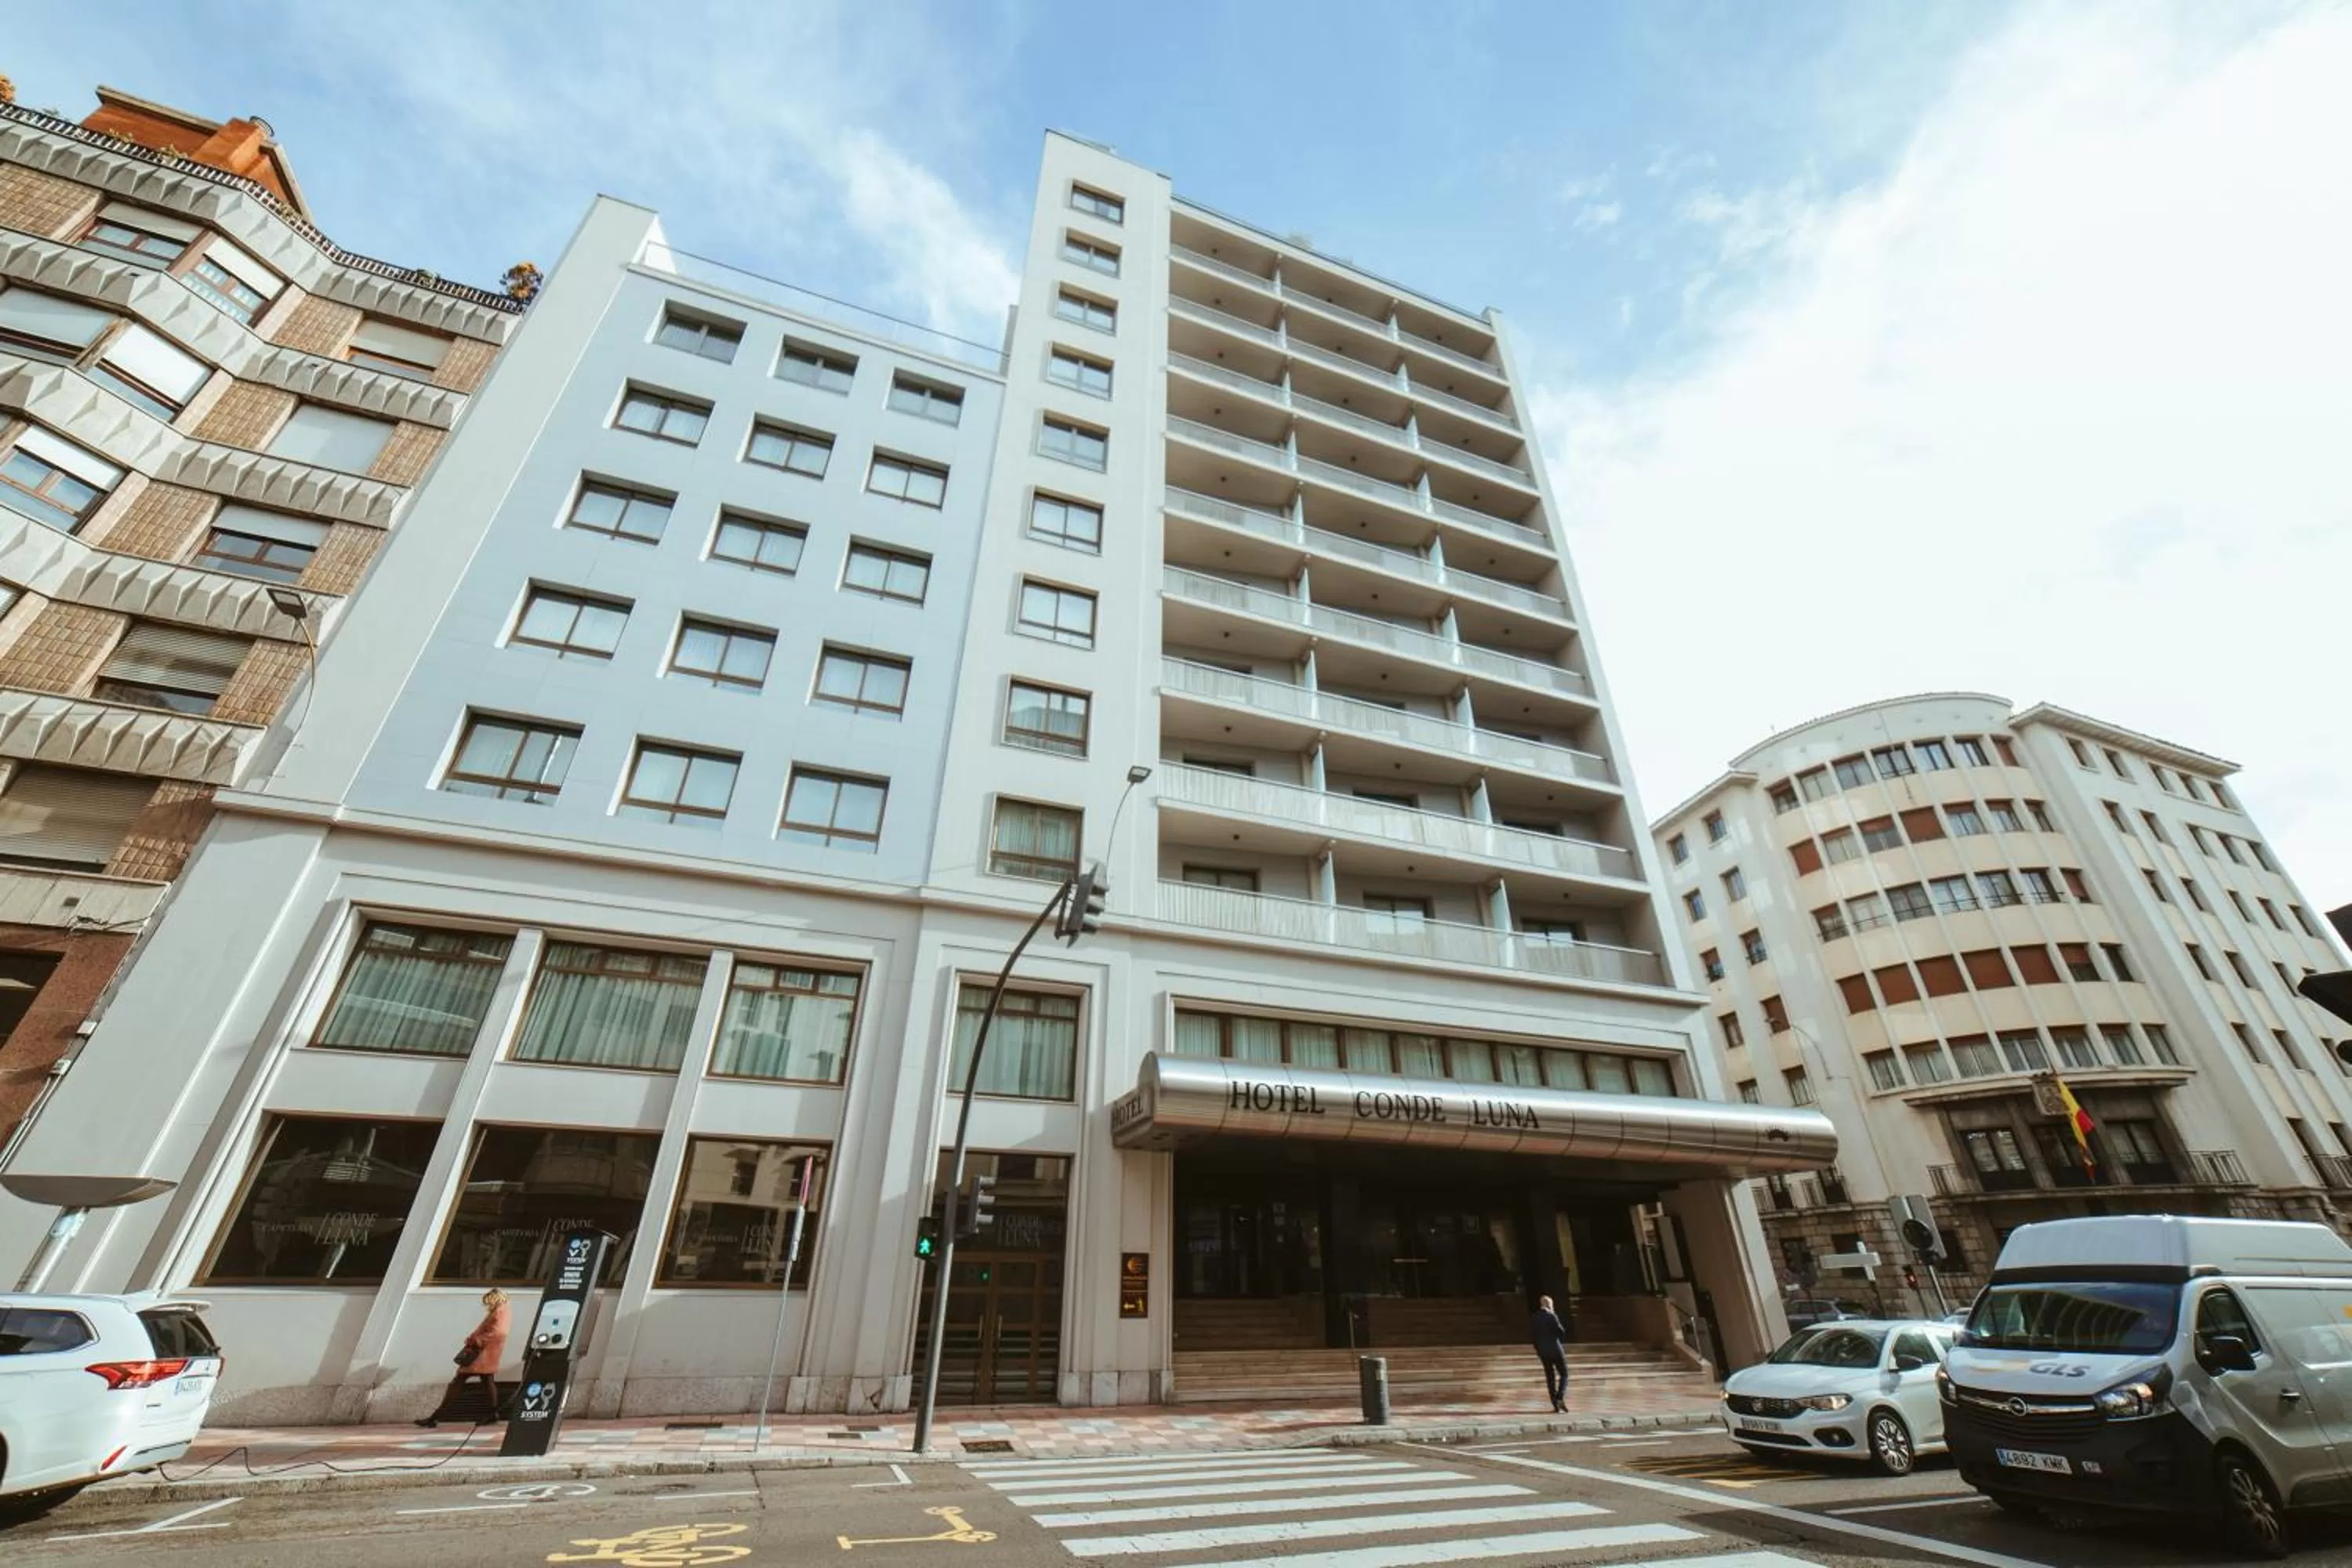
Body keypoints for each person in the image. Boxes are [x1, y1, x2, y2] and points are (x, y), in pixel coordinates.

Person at [417, 1288, 510, 1428]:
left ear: (495, 1299)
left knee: (458, 1381)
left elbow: (498, 1332)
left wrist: (477, 1340)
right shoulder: (502, 1311)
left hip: (482, 1354)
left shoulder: (500, 1311)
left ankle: (435, 1417)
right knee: (487, 1381)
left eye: (488, 1301)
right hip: (486, 1353)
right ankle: (493, 1414)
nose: (487, 1305)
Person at [1531, 1293, 1571, 1412]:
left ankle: (1555, 1404)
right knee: (1564, 1374)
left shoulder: (1535, 1317)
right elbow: (1561, 1332)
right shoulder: (1552, 1316)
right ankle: (1560, 1396)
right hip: (1555, 1350)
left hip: (1543, 1352)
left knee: (1550, 1377)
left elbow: (1533, 1336)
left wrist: (1538, 1350)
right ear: (1549, 1305)